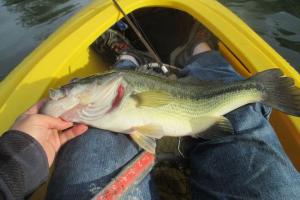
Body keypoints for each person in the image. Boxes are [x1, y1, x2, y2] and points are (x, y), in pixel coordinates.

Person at [1, 24, 300, 200]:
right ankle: (201, 52)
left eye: (76, 83)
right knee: (240, 117)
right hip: (188, 108)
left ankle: (129, 58)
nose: (67, 89)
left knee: (122, 78)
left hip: (164, 97)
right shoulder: (90, 108)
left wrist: (18, 162)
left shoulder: (111, 90)